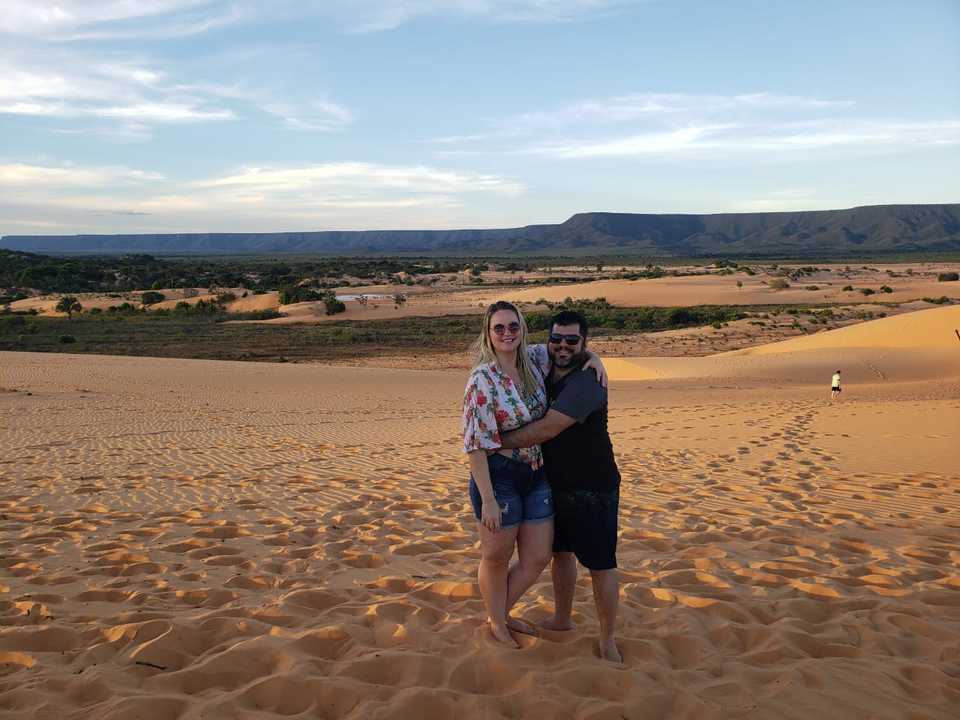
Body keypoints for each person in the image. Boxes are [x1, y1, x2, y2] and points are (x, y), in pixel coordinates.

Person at [461, 301, 605, 647]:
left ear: (522, 330)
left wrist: (595, 359)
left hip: (536, 473)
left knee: (538, 556)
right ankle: (498, 621)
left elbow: (570, 347)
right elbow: (475, 445)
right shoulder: (482, 380)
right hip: (499, 477)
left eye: (513, 326)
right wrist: (490, 501)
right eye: (499, 328)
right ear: (488, 334)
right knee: (496, 556)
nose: (507, 333)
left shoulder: (535, 359)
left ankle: (499, 611)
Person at [500, 310, 622, 662]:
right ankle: (562, 618)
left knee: (601, 566)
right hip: (553, 483)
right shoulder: (543, 362)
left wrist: (494, 442)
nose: (563, 346)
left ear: (584, 343)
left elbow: (547, 428)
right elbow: (516, 346)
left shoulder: (587, 382)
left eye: (572, 340)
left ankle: (607, 639)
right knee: (561, 554)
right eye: (557, 338)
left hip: (592, 489)